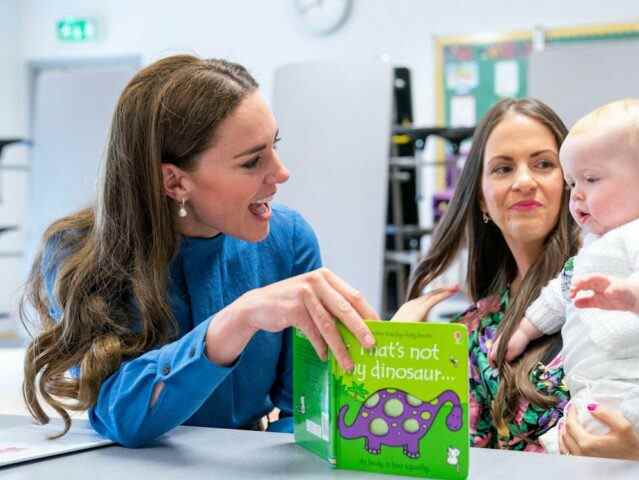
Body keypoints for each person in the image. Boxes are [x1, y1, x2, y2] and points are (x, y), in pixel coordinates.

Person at [21, 55, 378, 447]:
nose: (281, 173)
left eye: (274, 145)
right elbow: (121, 416)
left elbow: (303, 411)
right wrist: (237, 321)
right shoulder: (78, 254)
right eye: (252, 161)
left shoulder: (290, 239)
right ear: (174, 182)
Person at [394, 98, 639, 478]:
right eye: (502, 168)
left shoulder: (634, 284)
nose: (524, 181)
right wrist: (402, 344)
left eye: (543, 164)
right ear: (482, 196)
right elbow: (447, 460)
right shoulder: (476, 333)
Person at [496, 98, 639, 455]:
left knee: (573, 445)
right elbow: (562, 292)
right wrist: (523, 330)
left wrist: (634, 294)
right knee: (575, 440)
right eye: (572, 183)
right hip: (629, 396)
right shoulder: (599, 246)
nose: (577, 194)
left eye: (591, 179)